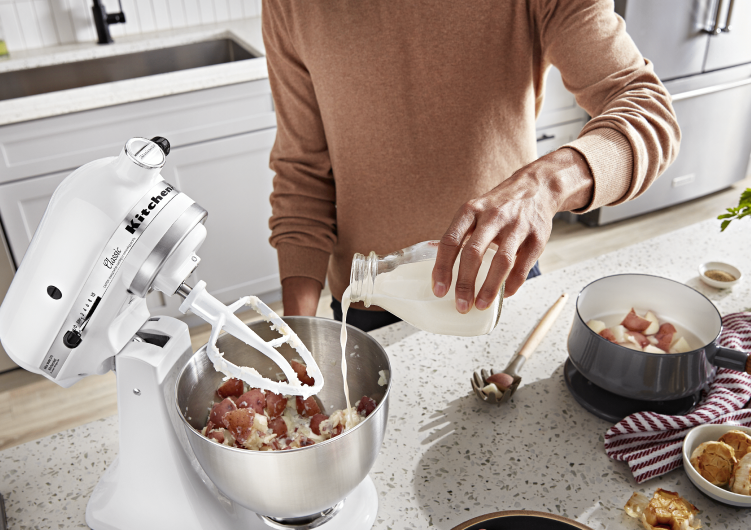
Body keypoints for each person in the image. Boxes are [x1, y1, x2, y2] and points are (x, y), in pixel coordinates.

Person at [263, 0, 680, 332]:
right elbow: (302, 172)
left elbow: (649, 114)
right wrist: (297, 330)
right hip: (367, 300)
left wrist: (547, 184)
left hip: (497, 284)